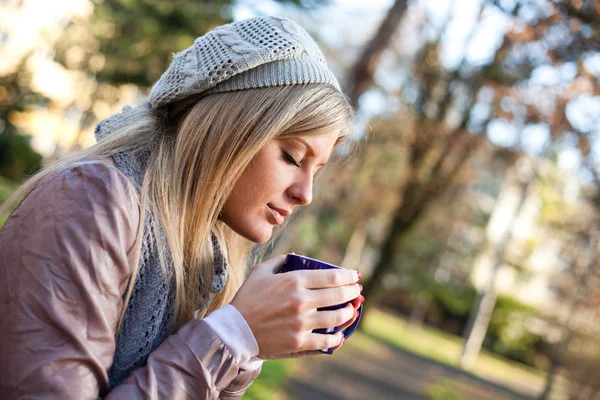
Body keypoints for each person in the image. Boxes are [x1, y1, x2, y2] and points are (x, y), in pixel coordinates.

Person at [0, 15, 364, 399]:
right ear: (227, 129)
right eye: (292, 156)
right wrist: (229, 337)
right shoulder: (91, 203)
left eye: (316, 172)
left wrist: (248, 345)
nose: (305, 194)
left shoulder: (206, 258)